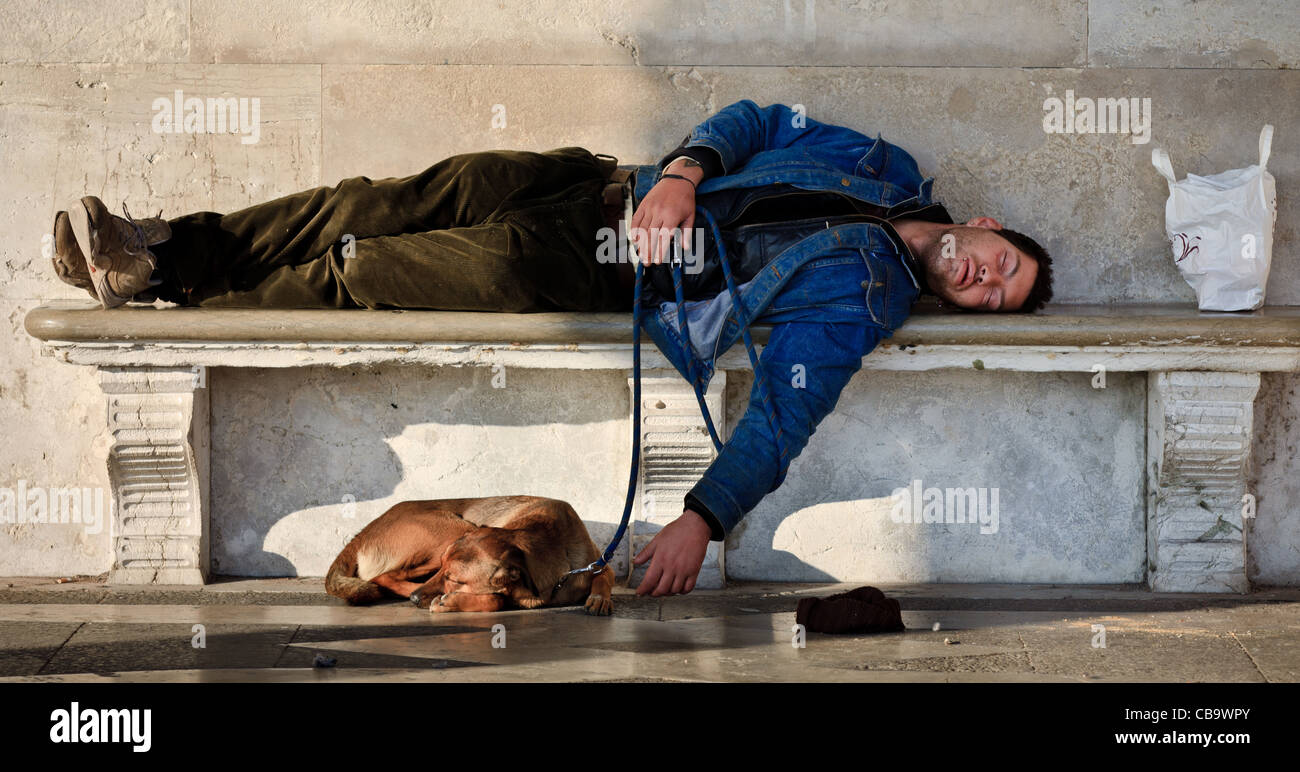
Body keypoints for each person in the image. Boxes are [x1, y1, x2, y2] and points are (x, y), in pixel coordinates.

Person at [49, 100, 1054, 597]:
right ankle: (162, 249)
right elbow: (755, 118)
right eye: (1003, 264)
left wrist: (704, 518)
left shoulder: (868, 296)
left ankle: (168, 296)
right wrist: (686, 171)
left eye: (998, 300)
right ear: (988, 222)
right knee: (374, 202)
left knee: (369, 265)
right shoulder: (885, 165)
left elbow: (787, 412)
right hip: (603, 182)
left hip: (602, 267)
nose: (985, 282)